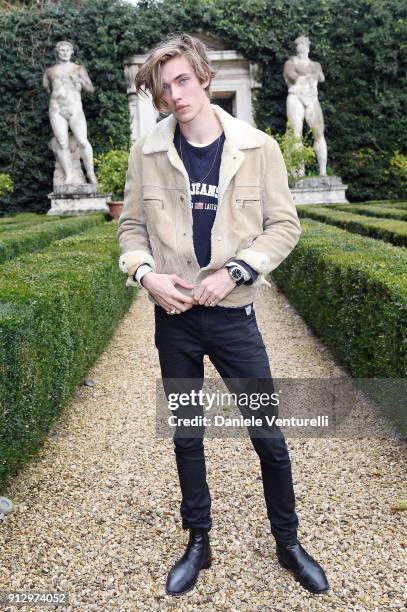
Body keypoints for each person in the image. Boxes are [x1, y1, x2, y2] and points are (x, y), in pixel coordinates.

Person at [117, 33, 329, 597]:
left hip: (235, 317)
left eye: (183, 80)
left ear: (205, 78)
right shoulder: (148, 152)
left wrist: (236, 271)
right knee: (187, 434)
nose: (175, 94)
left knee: (269, 435)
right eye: (165, 87)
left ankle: (288, 542)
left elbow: (284, 226)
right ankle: (198, 541)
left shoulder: (259, 147)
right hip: (175, 319)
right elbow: (131, 228)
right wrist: (145, 275)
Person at [43, 41, 98, 186]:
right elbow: (48, 89)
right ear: (57, 52)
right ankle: (68, 176)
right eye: (62, 50)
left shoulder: (78, 69)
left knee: (82, 141)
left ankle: (91, 173)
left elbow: (90, 88)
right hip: (56, 108)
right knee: (62, 143)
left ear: (72, 52)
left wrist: (79, 80)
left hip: (74, 108)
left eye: (68, 50)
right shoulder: (50, 72)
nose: (65, 53)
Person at [283, 35, 327, 177]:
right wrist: (310, 76)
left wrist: (314, 75)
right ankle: (298, 172)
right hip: (296, 96)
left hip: (312, 98)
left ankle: (323, 172)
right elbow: (292, 77)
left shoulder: (315, 65)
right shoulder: (291, 63)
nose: (300, 48)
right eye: (299, 46)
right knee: (296, 134)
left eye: (303, 45)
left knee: (319, 134)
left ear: (307, 47)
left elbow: (321, 77)